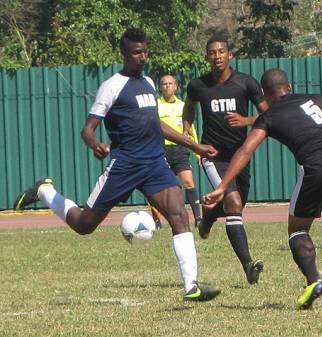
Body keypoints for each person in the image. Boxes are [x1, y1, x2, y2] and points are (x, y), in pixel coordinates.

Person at [13, 28, 221, 302]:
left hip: (154, 165)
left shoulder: (147, 82)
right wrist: (95, 144)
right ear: (123, 54)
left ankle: (190, 286)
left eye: (146, 51)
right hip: (125, 166)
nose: (143, 57)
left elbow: (155, 124)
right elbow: (87, 129)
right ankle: (45, 191)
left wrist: (193, 144)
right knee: (84, 225)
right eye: (137, 52)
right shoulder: (112, 86)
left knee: (178, 215)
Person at [204, 68, 322, 309]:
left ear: (264, 94)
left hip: (318, 167)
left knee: (297, 230)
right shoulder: (317, 98)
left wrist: (223, 186)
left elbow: (246, 150)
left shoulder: (269, 115)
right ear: (289, 87)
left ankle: (313, 282)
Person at [182, 33, 268, 284]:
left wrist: (247, 121)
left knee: (238, 204)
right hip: (213, 155)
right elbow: (189, 106)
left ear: (230, 55)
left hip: (241, 155)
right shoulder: (198, 85)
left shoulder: (246, 83)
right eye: (212, 52)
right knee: (232, 202)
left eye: (221, 51)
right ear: (206, 56)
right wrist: (187, 130)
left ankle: (208, 217)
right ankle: (248, 266)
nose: (217, 56)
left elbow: (269, 114)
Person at [151, 74, 202, 229]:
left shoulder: (182, 105)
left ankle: (198, 218)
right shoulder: (156, 106)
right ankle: (156, 220)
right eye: (164, 83)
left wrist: (198, 151)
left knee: (188, 182)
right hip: (161, 149)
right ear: (160, 87)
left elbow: (190, 128)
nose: (167, 86)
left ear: (176, 87)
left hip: (180, 150)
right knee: (157, 187)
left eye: (170, 83)